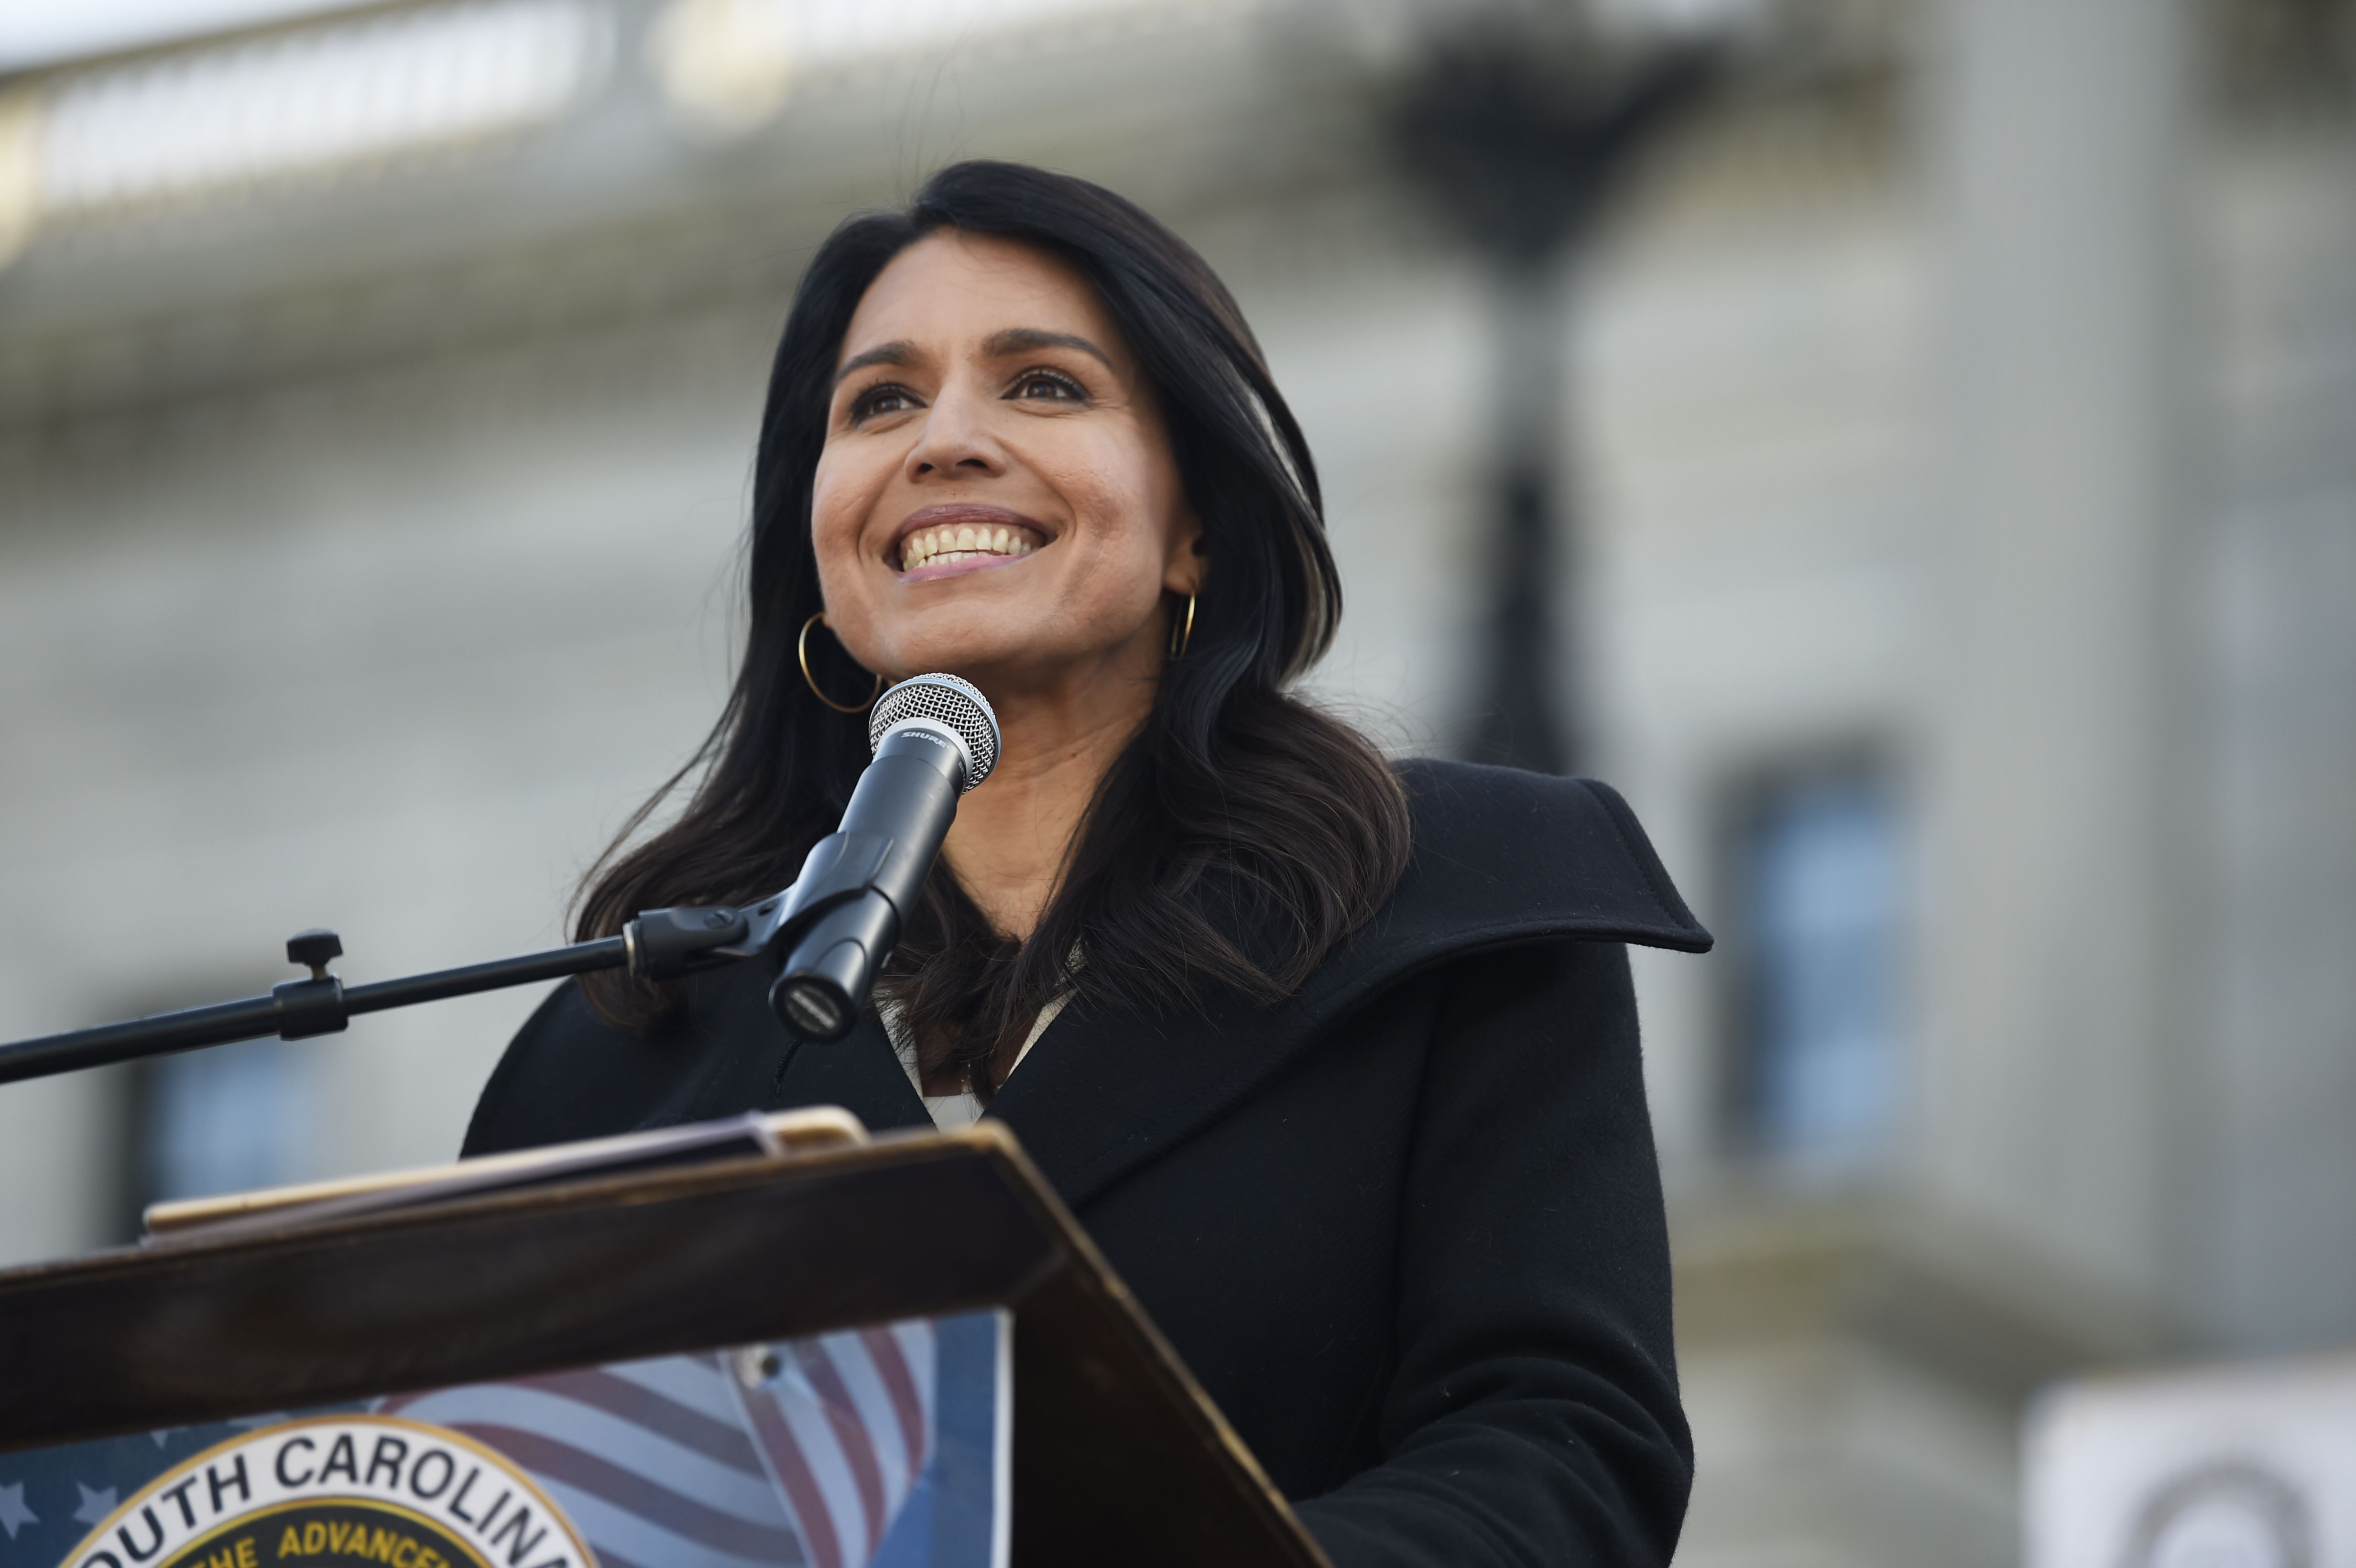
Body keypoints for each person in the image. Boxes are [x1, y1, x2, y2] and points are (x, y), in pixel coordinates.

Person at [464, 160, 1712, 1567]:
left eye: (1042, 384)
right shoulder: (622, 1056)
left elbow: (1559, 1455)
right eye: (880, 402)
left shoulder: (1457, 910)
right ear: (821, 548)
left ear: (1195, 530)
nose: (944, 440)